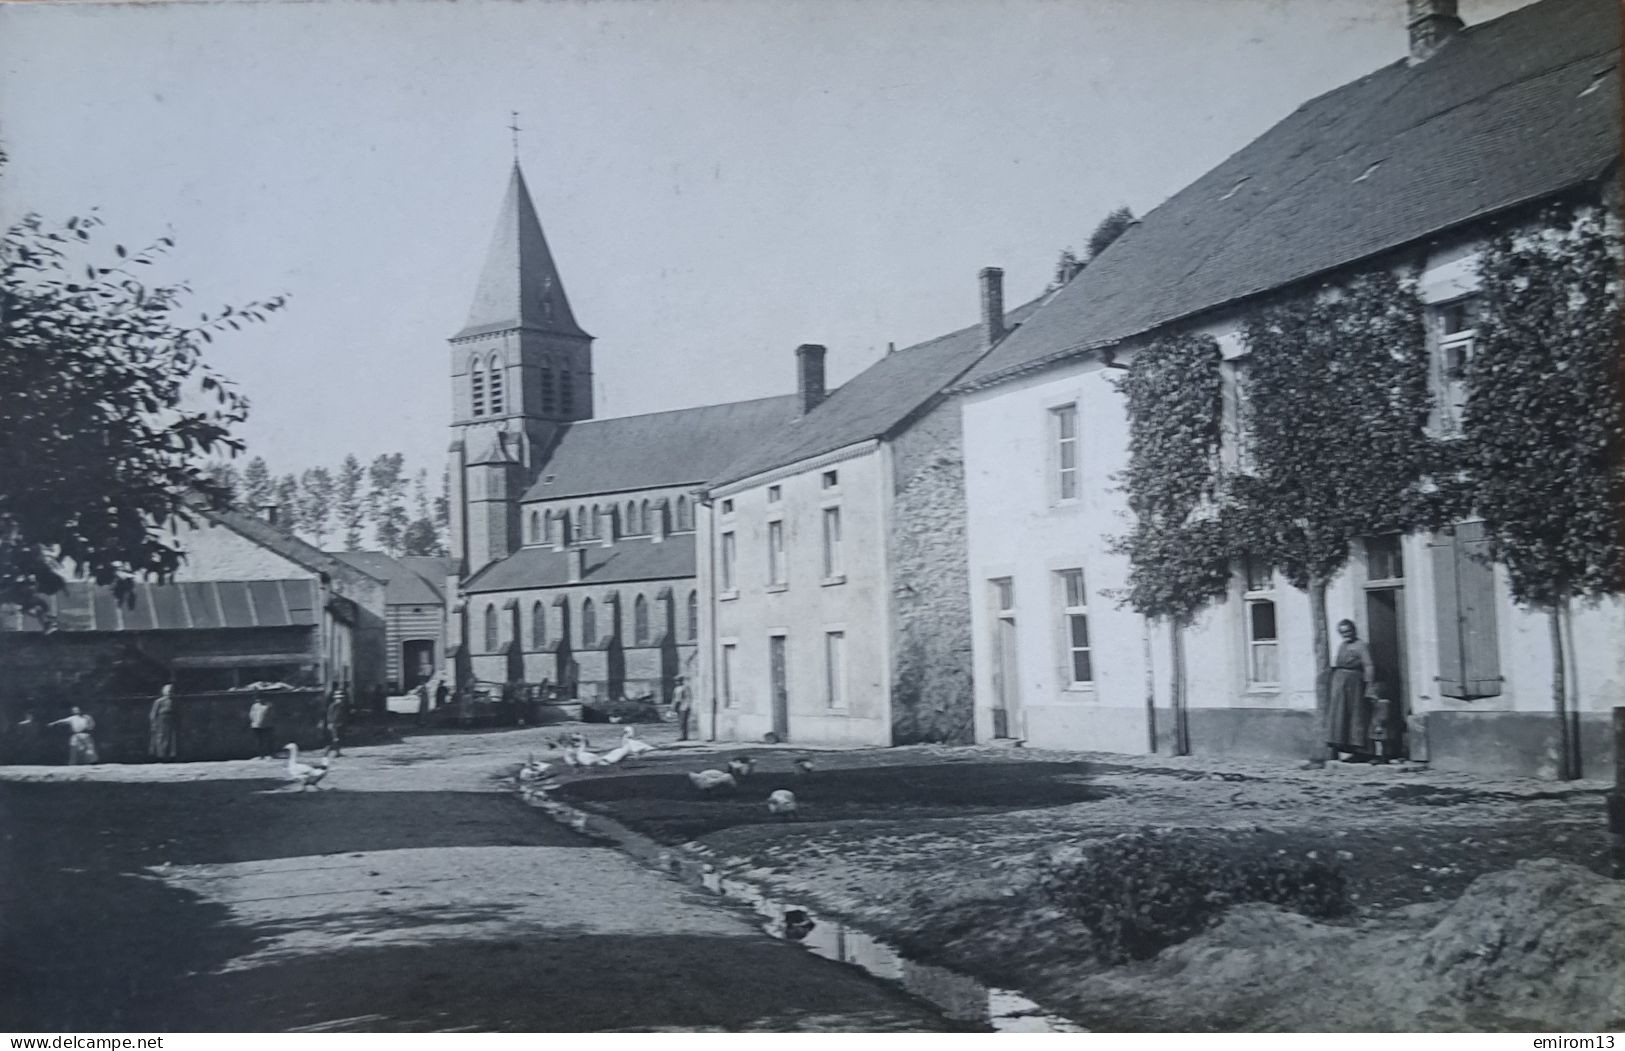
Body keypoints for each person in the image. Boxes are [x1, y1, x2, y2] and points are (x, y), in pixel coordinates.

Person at [1326, 619, 1376, 763]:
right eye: (1342, 632)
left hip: (1354, 685)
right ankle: (1348, 749)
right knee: (1342, 716)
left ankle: (1361, 750)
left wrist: (1369, 686)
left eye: (1348, 631)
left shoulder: (1361, 646)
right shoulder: (1342, 645)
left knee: (1356, 715)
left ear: (1354, 630)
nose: (1346, 634)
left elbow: (1369, 666)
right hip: (1340, 685)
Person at [148, 683, 178, 762]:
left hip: (171, 719)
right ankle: (160, 756)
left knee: (171, 737)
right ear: (164, 692)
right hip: (161, 720)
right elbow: (153, 713)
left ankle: (171, 756)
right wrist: (153, 723)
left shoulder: (174, 701)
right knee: (160, 737)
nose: (170, 693)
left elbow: (177, 712)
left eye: (171, 691)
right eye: (168, 691)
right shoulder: (159, 701)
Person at [248, 694, 275, 758]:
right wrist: (254, 722)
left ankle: (270, 754)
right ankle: (261, 755)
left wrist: (269, 722)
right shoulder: (254, 706)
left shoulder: (269, 705)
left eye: (261, 698)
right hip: (256, 726)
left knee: (268, 740)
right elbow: (251, 714)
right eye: (258, 699)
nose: (259, 700)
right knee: (259, 741)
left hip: (267, 725)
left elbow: (272, 715)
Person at [325, 684, 348, 758]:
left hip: (339, 723)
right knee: (335, 738)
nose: (340, 700)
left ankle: (337, 752)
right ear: (335, 699)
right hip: (333, 724)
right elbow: (329, 715)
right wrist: (330, 723)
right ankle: (330, 751)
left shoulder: (342, 706)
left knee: (339, 738)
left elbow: (342, 716)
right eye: (338, 698)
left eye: (341, 698)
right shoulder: (333, 706)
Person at [672, 676, 693, 742]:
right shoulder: (677, 688)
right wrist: (673, 706)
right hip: (680, 707)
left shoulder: (684, 688)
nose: (677, 682)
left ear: (681, 681)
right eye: (676, 681)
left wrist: (687, 705)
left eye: (678, 681)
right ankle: (683, 735)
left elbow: (681, 699)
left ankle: (683, 736)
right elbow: (674, 699)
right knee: (681, 722)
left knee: (683, 722)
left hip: (684, 707)